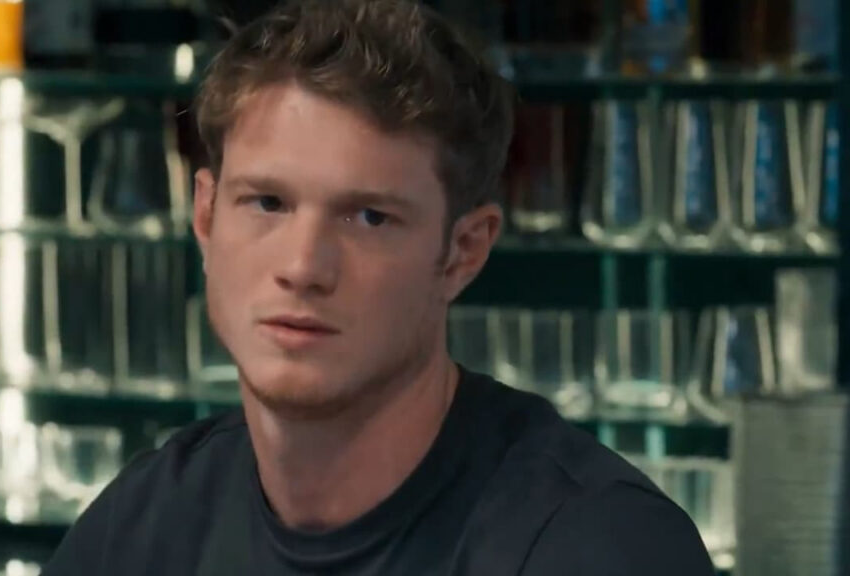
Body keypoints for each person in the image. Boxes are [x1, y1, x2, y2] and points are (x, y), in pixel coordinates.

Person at [42, 0, 716, 574]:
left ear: (462, 253)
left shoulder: (598, 545)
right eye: (267, 203)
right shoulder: (143, 525)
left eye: (369, 217)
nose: (303, 266)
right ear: (207, 217)